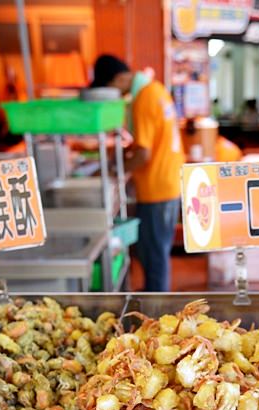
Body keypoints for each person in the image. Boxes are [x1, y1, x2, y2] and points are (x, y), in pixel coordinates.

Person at [92, 54, 184, 292]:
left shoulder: (144, 98)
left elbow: (144, 154)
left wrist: (115, 173)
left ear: (121, 78)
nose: (115, 95)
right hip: (168, 183)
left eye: (110, 88)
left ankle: (157, 316)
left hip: (157, 190)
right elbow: (146, 143)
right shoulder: (155, 90)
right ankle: (157, 306)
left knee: (153, 257)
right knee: (155, 253)